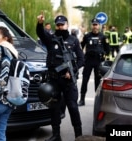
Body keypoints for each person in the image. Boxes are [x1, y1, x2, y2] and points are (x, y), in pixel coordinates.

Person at [36, 13, 84, 141]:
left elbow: (81, 59)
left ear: (67, 25)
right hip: (54, 80)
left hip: (68, 81)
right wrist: (40, 24)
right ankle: (56, 135)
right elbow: (41, 33)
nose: (60, 27)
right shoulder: (51, 39)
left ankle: (79, 136)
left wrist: (72, 70)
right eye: (58, 25)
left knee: (73, 107)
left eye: (62, 25)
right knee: (54, 108)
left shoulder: (74, 41)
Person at [78, 18, 110, 106]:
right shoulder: (87, 36)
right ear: (91, 25)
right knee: (85, 80)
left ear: (99, 26)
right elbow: (81, 46)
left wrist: (103, 55)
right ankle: (82, 99)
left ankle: (97, 100)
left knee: (97, 81)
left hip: (98, 62)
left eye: (96, 25)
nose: (95, 26)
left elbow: (108, 50)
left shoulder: (103, 37)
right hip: (88, 61)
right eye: (93, 25)